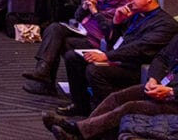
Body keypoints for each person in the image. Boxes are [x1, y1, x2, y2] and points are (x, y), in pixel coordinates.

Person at [58, 0, 178, 117]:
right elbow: (111, 42)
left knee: (95, 70)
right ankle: (80, 105)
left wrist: (107, 57)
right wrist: (116, 22)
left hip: (137, 66)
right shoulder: (135, 15)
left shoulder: (165, 23)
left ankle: (107, 113)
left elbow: (140, 48)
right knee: (72, 57)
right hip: (122, 58)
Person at [42, 33, 178, 140]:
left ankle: (77, 133)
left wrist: (172, 92)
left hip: (175, 99)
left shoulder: (164, 23)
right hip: (165, 85)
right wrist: (153, 79)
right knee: (117, 97)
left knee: (130, 107)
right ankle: (80, 128)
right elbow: (162, 58)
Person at [21, 0, 127, 96]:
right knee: (54, 28)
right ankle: (43, 70)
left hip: (98, 41)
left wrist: (95, 12)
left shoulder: (122, 7)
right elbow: (77, 17)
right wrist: (83, 7)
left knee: (58, 42)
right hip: (82, 31)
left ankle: (46, 80)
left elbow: (109, 31)